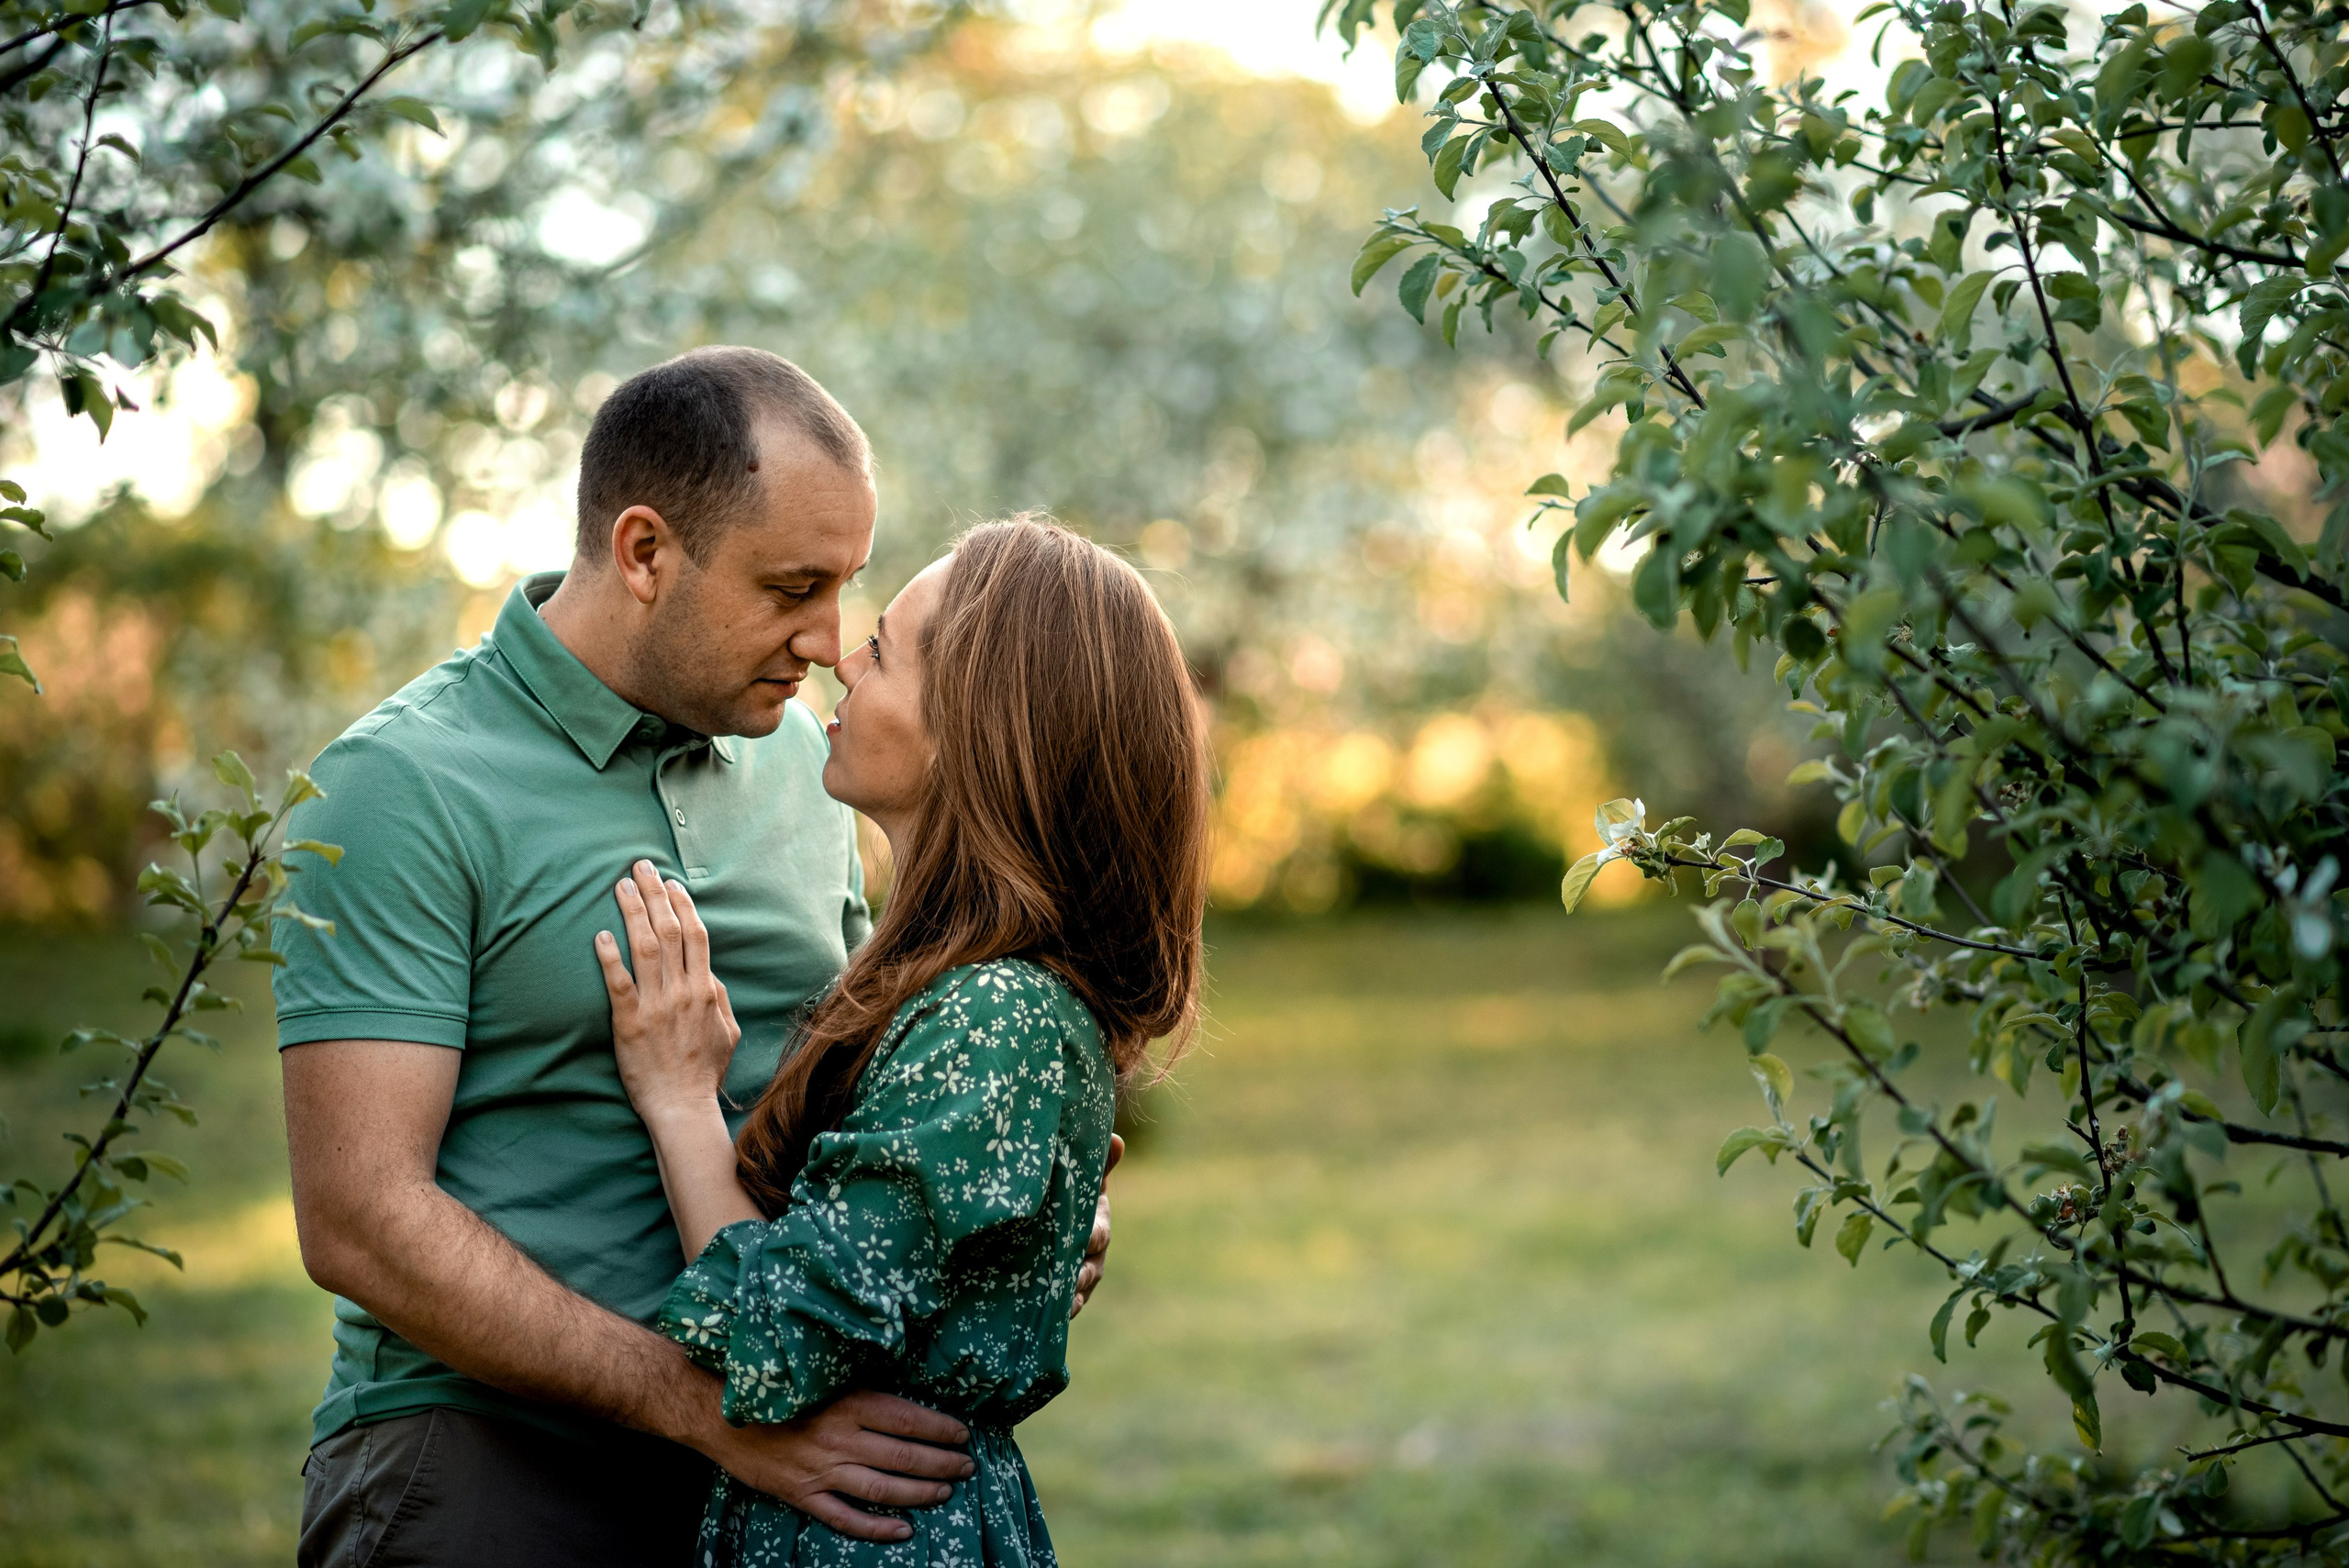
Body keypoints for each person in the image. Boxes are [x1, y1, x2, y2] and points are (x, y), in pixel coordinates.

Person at [273, 349, 1115, 1567]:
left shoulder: (805, 767)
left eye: (847, 590)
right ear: (645, 551)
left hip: (787, 1471)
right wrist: (694, 1401)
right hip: (491, 1458)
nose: (829, 641)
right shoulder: (403, 783)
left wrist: (999, 1200)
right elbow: (357, 1216)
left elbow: (857, 1097)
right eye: (792, 587)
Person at [592, 517, 1209, 1565]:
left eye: (882, 647)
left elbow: (774, 1346)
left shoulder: (993, 1016)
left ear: (978, 729)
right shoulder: (952, 989)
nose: (839, 655)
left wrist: (679, 1095)